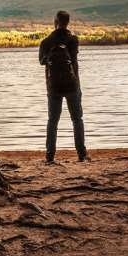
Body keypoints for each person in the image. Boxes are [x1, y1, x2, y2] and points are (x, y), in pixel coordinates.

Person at [38, 11, 90, 164]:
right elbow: (73, 60)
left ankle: (50, 156)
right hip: (72, 85)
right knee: (77, 119)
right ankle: (81, 154)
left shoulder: (46, 41)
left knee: (52, 121)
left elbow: (42, 62)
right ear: (68, 22)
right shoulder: (73, 40)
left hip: (53, 87)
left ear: (55, 21)